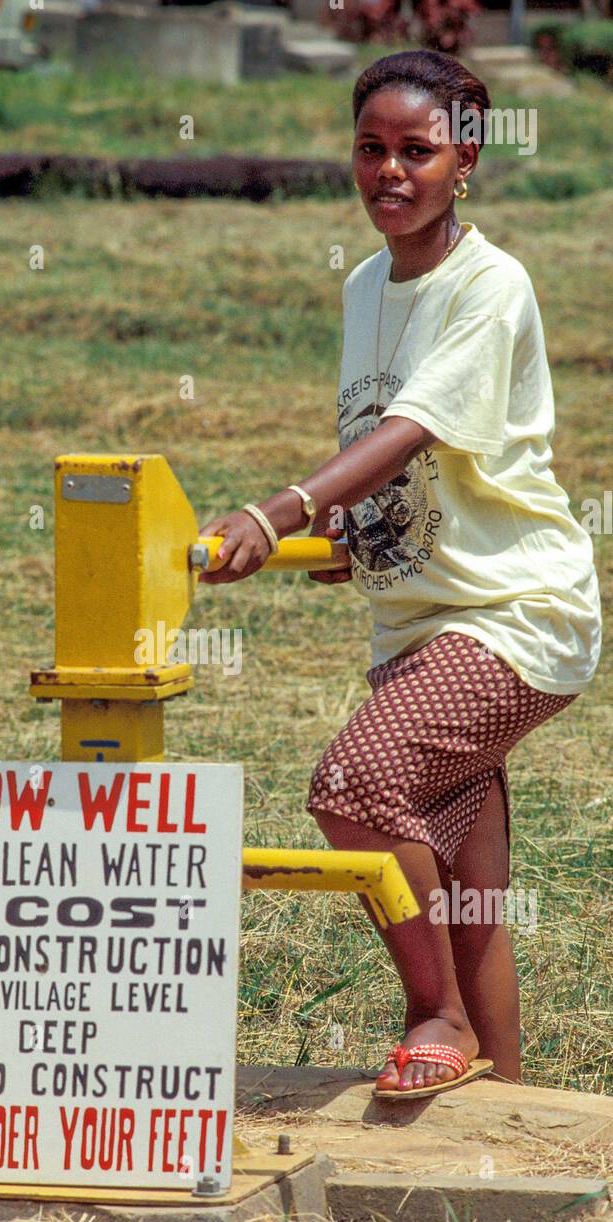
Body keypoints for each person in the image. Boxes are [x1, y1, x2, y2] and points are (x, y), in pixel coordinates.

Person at [198, 48, 602, 1098]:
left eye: (417, 151)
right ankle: (507, 1129)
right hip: (421, 626)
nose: (390, 172)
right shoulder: (366, 285)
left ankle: (438, 1017)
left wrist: (282, 506)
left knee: (358, 785)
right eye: (370, 150)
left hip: (516, 612)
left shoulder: (490, 283)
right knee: (470, 898)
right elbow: (391, 451)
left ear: (467, 155)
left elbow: (417, 425)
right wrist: (350, 540)